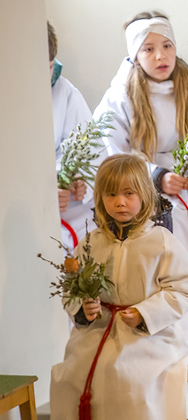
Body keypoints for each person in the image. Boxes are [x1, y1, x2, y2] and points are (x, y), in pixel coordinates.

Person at [49, 154, 188, 420]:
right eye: (111, 194)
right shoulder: (91, 243)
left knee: (131, 379)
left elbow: (180, 290)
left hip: (150, 337)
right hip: (98, 331)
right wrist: (84, 308)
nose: (120, 202)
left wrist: (144, 313)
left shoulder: (161, 241)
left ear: (145, 195)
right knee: (70, 377)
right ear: (100, 198)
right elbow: (73, 287)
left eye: (129, 194)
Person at [94, 11, 188, 268]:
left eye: (167, 46)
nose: (160, 56)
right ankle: (180, 286)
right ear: (135, 56)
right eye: (148, 49)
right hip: (145, 185)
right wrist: (157, 177)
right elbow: (113, 155)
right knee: (173, 217)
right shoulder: (119, 98)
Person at [49, 21, 97, 250]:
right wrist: (47, 187)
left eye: (50, 67)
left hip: (68, 201)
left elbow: (87, 147)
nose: (46, 76)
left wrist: (77, 180)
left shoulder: (64, 91)